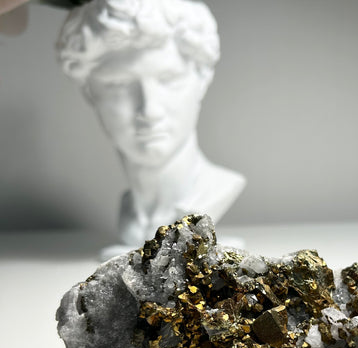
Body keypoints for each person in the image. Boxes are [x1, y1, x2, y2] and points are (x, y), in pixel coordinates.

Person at [57, 0, 246, 249]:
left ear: (202, 79)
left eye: (169, 80)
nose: (150, 110)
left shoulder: (213, 194)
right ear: (88, 91)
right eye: (120, 85)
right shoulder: (132, 217)